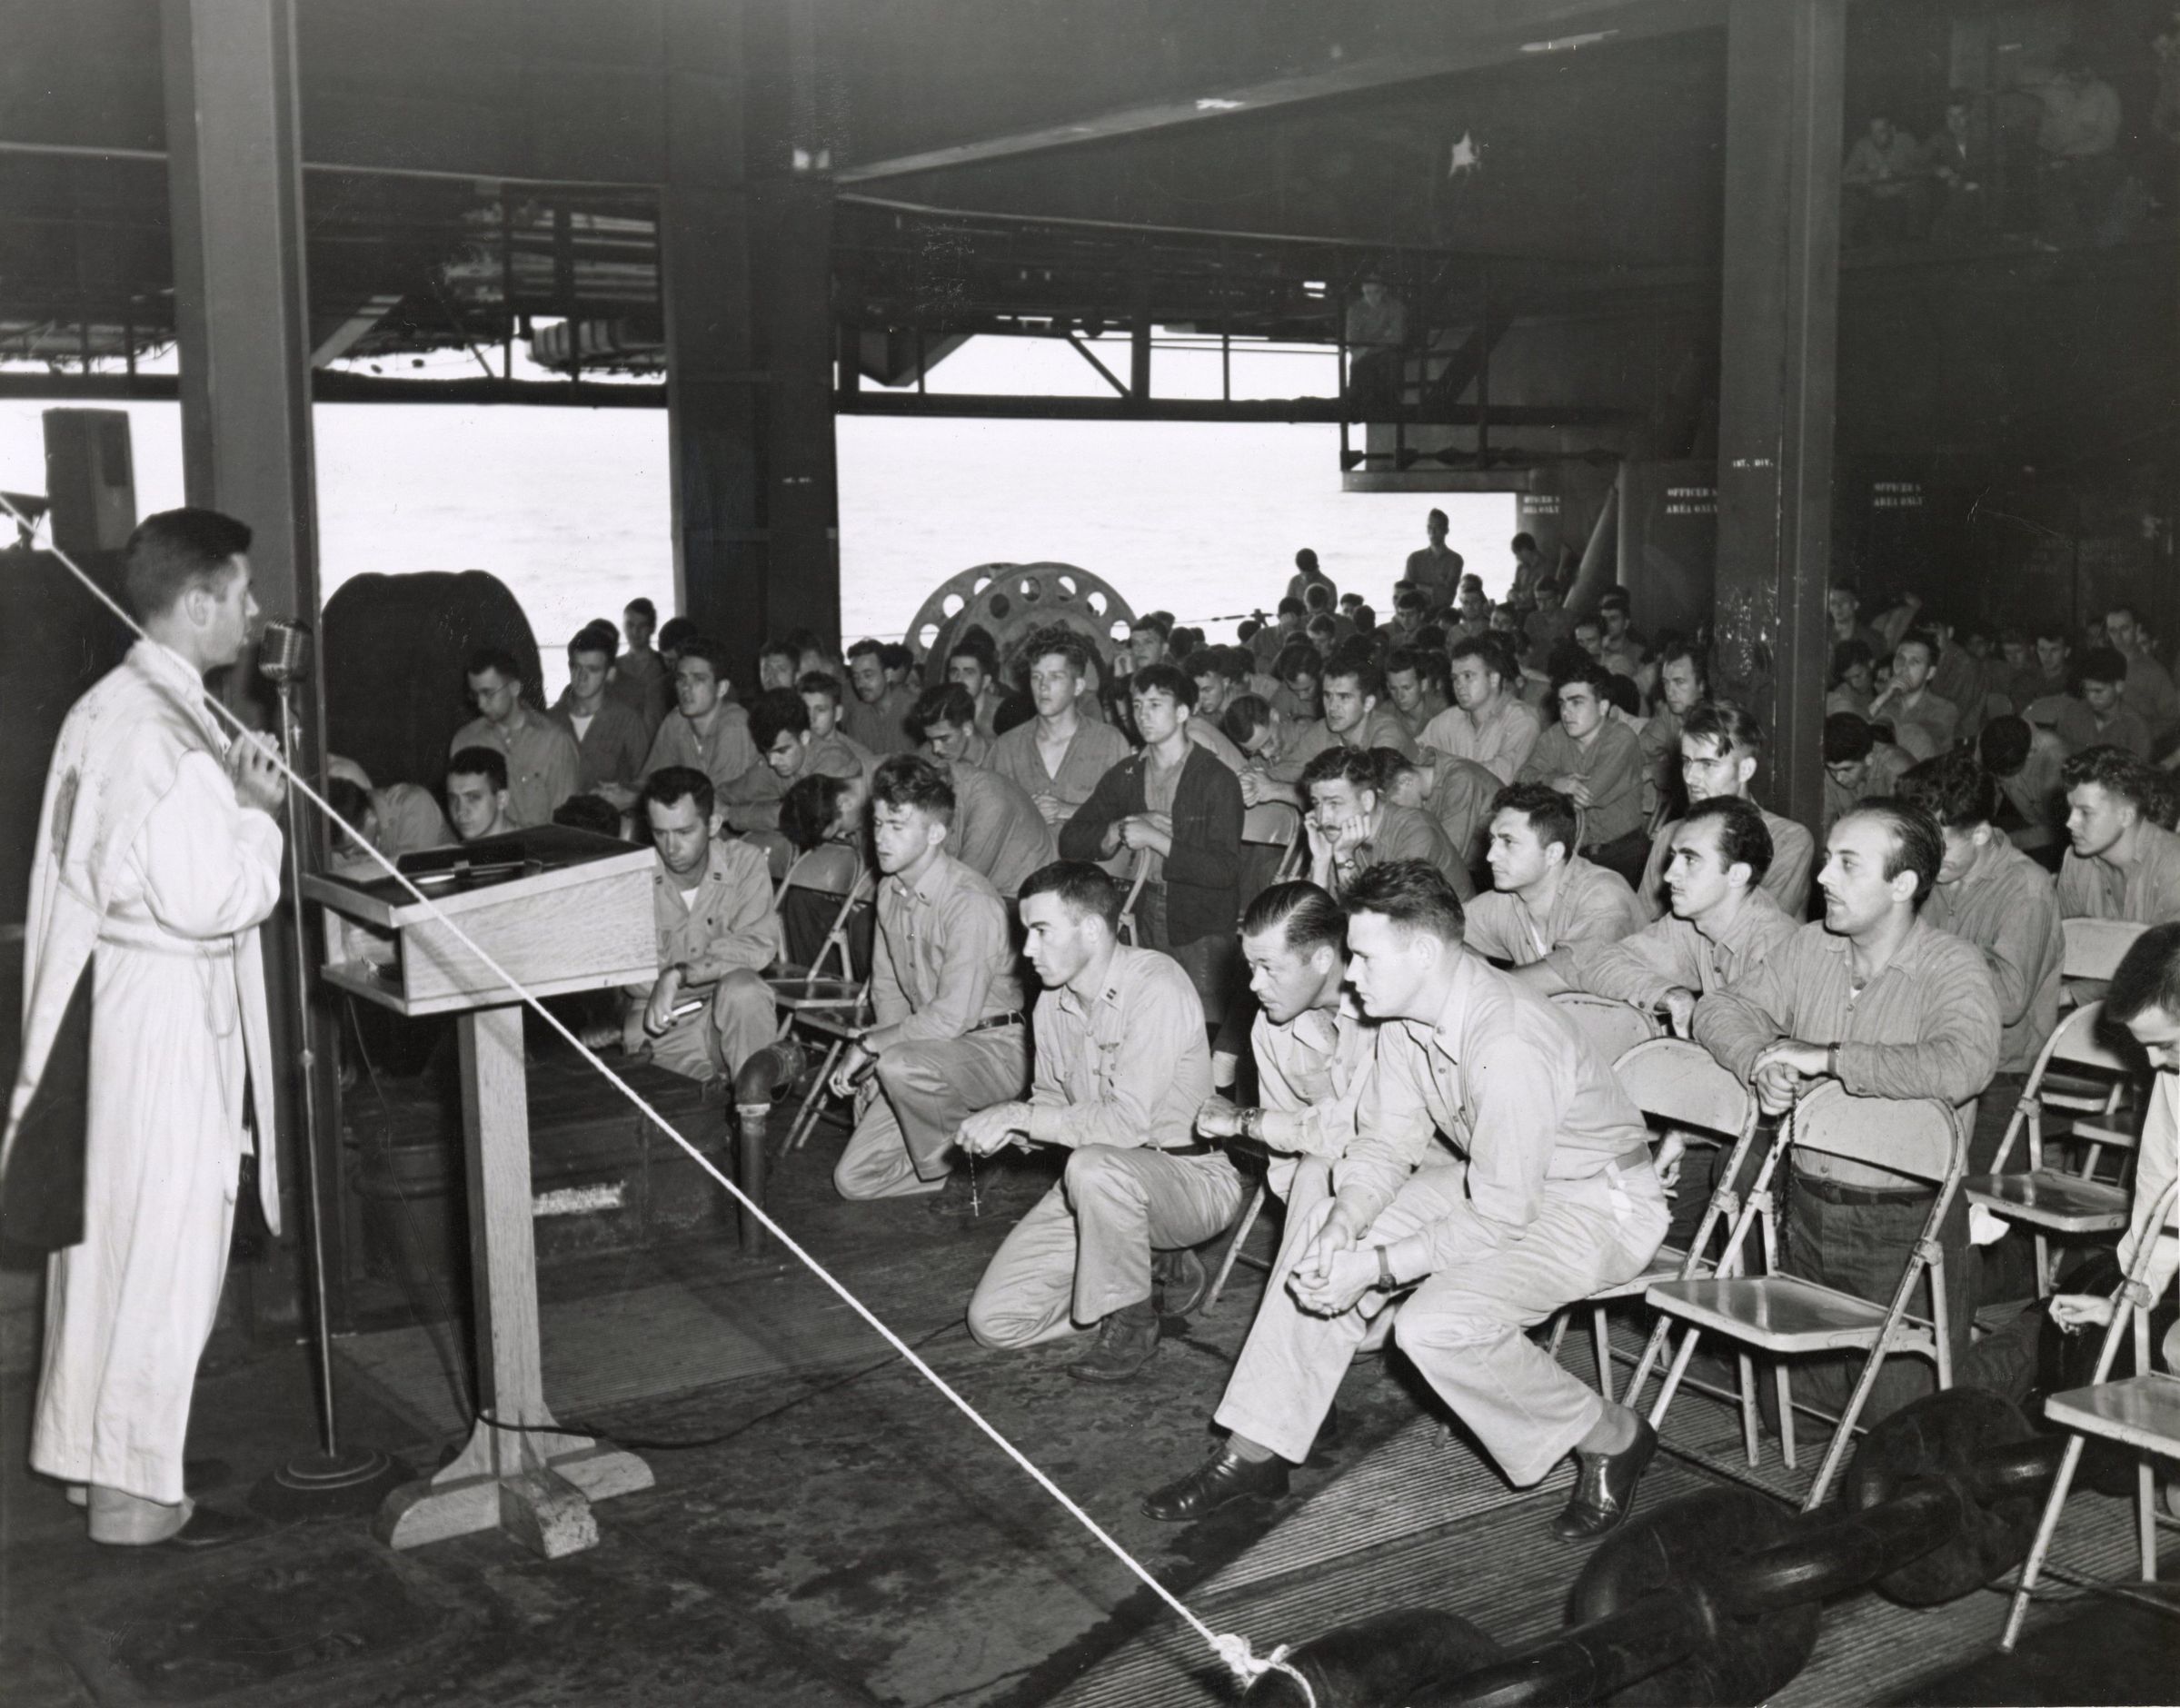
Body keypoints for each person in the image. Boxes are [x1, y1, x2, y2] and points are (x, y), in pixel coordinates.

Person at [1140, 861, 1669, 1535]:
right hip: (1507, 1183)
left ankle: (1612, 1434)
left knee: (1434, 1327)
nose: (1350, 976)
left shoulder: (1504, 1041)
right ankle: (1257, 1449)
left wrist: (1379, 1265)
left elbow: (1501, 1213)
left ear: (1421, 952)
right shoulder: (1407, 1017)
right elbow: (1387, 1145)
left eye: (1361, 956)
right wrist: (1344, 1225)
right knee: (1322, 1231)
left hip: (1598, 1203)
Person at [8, 508, 286, 1548]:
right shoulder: (163, 731)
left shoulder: (108, 705)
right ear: (201, 599)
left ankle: (98, 1454)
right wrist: (255, 810)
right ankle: (133, 1496)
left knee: (108, 1239)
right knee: (166, 1239)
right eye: (244, 594)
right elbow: (209, 892)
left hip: (112, 995)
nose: (257, 615)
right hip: (166, 1006)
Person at [1694, 801, 2001, 1423]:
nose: (1822, 877)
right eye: (1826, 858)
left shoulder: (1952, 967)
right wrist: (1761, 1061)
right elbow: (1718, 1011)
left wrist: (1828, 1060)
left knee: (1905, 1427)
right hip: (1807, 1211)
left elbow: (1961, 1065)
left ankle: (2037, 1340)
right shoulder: (1811, 946)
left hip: (1905, 1222)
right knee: (1797, 1406)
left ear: (1903, 885)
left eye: (1845, 865)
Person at [961, 863, 1242, 1380]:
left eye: (1041, 931)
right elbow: (1050, 1101)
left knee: (1093, 1166)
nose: (1027, 951)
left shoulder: (1156, 983)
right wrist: (1004, 1130)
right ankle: (1144, 1265)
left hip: (1190, 1182)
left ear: (1092, 928)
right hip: (1099, 1187)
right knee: (994, 1322)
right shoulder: (1052, 1002)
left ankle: (1133, 1321)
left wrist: (1021, 1115)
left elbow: (1126, 1126)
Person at [1896, 751, 2064, 1300]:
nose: (1926, 856)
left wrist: (1920, 966)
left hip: (2000, 1074)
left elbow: (2010, 999)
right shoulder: (1938, 871)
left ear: (1986, 833)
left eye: (1940, 842)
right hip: (1931, 1054)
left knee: (1971, 1232)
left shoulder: (2026, 888)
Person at [828, 757, 1031, 1203]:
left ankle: (969, 1163)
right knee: (855, 1180)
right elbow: (889, 992)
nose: (880, 838)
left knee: (899, 1066)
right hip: (929, 1053)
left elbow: (951, 1018)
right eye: (877, 822)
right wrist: (882, 1062)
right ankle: (977, 1159)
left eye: (897, 826)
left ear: (936, 834)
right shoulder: (889, 889)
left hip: (991, 1049)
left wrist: (872, 1047)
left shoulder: (969, 901)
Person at [1519, 796, 1798, 1038]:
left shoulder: (1774, 946)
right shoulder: (1691, 923)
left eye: (1690, 860)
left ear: (1737, 874)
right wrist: (1667, 994)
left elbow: (1747, 1045)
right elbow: (1601, 963)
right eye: (1674, 857)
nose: (1668, 875)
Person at [1059, 664, 1241, 1015]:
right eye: (1138, 704)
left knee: (1199, 1023)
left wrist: (1155, 838)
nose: (1142, 715)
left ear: (1184, 712)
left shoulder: (1216, 779)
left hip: (1200, 923)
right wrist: (1121, 827)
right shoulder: (1128, 773)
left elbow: (1225, 871)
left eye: (1156, 704)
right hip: (1139, 913)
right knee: (1148, 1019)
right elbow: (1071, 839)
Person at [1194, 883, 1370, 1209]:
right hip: (1330, 1183)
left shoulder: (1384, 1009)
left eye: (1269, 968)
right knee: (1313, 1170)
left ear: (1322, 959)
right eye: (1251, 966)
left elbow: (1366, 1131)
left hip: (1422, 1181)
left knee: (1317, 1168)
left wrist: (1242, 1120)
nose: (1254, 984)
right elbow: (1285, 1164)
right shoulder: (1271, 1023)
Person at [2047, 923, 2180, 1336]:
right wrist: (2135, 1289)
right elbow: (2161, 1183)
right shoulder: (2174, 1075)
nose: (2154, 1063)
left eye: (2166, 1044)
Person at [618, 767, 780, 1091]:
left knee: (745, 990)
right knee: (686, 1124)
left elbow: (757, 946)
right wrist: (709, 970)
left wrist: (677, 974)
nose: (671, 847)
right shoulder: (633, 877)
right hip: (661, 1025)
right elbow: (634, 977)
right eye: (660, 833)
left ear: (714, 825)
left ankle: (753, 1117)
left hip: (726, 1011)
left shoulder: (745, 863)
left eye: (684, 832)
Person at [1632, 700, 1815, 920]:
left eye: (1707, 764)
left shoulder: (1787, 839)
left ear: (1745, 770)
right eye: (1687, 762)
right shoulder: (1671, 835)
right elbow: (1641, 925)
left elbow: (1757, 930)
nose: (1690, 777)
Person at [1465, 782, 1644, 966]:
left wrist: (1492, 985)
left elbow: (1571, 974)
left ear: (1553, 854)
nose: (1490, 856)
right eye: (1493, 840)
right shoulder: (1506, 900)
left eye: (1508, 842)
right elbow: (1442, 933)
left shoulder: (1603, 894)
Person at [911, 684, 1057, 899]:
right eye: (930, 739)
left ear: (968, 728)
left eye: (944, 738)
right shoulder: (930, 761)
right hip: (966, 869)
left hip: (1018, 883)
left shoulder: (1007, 757)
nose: (936, 749)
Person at [989, 627, 1131, 834]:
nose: (1043, 687)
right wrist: (1026, 813)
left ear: (1078, 686)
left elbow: (1129, 815)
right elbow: (987, 817)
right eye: (1036, 677)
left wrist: (1068, 810)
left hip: (1088, 865)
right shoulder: (1006, 748)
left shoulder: (1110, 743)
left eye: (1055, 677)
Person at [1518, 659, 1647, 883]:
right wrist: (1555, 782)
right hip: (1573, 856)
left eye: (1577, 702)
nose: (1566, 712)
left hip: (1624, 856)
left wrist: (1546, 788)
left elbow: (1585, 795)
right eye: (1562, 703)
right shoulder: (1555, 735)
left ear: (1603, 706)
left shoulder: (1622, 738)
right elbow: (1521, 781)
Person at [642, 636, 772, 828]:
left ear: (721, 688)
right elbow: (651, 781)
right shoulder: (676, 721)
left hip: (744, 834)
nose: (686, 687)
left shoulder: (735, 725)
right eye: (681, 678)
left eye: (699, 679)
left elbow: (713, 801)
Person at [449, 646, 580, 829]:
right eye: (475, 694)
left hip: (541, 852)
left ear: (514, 688)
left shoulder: (554, 742)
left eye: (488, 693)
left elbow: (568, 823)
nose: (480, 703)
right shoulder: (465, 740)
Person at [1259, 656, 1418, 803]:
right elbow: (1290, 769)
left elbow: (1357, 801)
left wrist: (1277, 790)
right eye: (1328, 696)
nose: (1332, 707)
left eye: (1344, 697)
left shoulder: (1388, 735)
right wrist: (1254, 780)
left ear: (1368, 704)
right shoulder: (1323, 729)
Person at [2056, 746, 2180, 924]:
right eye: (2071, 810)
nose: (2070, 822)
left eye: (2085, 812)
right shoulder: (2075, 861)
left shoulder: (2174, 868)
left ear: (2126, 816)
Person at [549, 626, 650, 810]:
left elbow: (647, 780)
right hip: (558, 826)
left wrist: (628, 795)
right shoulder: (550, 720)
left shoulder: (627, 721)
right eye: (576, 667)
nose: (581, 677)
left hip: (609, 827)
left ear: (609, 673)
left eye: (592, 669)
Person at [1978, 714, 2069, 855]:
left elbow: (2054, 830)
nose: (2000, 778)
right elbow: (1986, 792)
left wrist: (1998, 844)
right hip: (2025, 820)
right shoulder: (1989, 739)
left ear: (2028, 754)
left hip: (2056, 833)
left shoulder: (2054, 756)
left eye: (2005, 773)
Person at [324, 773, 453, 869]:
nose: (347, 855)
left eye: (351, 846)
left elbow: (407, 874)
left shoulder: (415, 804)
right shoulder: (341, 835)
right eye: (340, 850)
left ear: (370, 818)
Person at [1866, 629, 1959, 761]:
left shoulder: (1945, 709)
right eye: (1900, 659)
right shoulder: (1886, 702)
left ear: (1930, 673)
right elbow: (1862, 740)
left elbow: (1917, 742)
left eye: (1914, 662)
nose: (1904, 667)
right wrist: (1883, 697)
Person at [1842, 113, 1928, 246]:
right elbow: (1846, 178)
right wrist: (1873, 175)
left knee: (1919, 194)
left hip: (1904, 194)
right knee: (1851, 202)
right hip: (1874, 197)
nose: (1876, 137)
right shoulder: (1863, 145)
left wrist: (1898, 174)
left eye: (1881, 131)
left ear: (1892, 130)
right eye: (1873, 132)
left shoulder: (1905, 141)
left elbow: (1924, 168)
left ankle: (1916, 244)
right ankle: (1845, 248)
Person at [2056, 647, 2153, 760]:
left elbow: (2136, 773)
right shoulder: (2072, 714)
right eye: (2087, 690)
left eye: (2098, 691)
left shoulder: (2137, 729)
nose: (2091, 697)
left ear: (2119, 687)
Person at [1823, 712, 1914, 832]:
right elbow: (1823, 828)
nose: (1839, 778)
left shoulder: (1898, 770)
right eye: (1832, 770)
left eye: (1847, 770)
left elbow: (1911, 832)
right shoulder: (1829, 772)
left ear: (1869, 758)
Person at [2103, 605, 2179, 745]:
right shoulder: (2099, 665)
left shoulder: (2155, 672)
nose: (2118, 636)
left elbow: (2171, 718)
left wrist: (2141, 736)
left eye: (2124, 629)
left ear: (2137, 629)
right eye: (2113, 631)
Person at [841, 639, 919, 756]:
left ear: (887, 675)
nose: (861, 684)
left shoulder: (913, 709)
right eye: (856, 677)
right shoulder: (858, 716)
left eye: (868, 675)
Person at [797, 671, 879, 780]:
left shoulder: (861, 757)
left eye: (821, 710)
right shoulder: (791, 749)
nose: (811, 718)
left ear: (838, 713)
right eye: (805, 709)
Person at [1344, 274, 1407, 413]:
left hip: (1385, 354)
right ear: (1362, 291)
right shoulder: (1355, 310)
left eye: (1376, 292)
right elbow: (1353, 344)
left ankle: (1392, 401)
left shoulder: (1396, 307)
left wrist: (1366, 347)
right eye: (1368, 293)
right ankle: (1357, 402)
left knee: (1391, 357)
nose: (1372, 297)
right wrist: (1384, 336)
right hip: (1367, 357)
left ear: (1384, 290)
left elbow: (1397, 339)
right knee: (1358, 363)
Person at [615, 597, 673, 734]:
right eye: (630, 625)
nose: (635, 632)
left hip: (659, 745)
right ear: (623, 626)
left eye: (642, 626)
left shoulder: (664, 664)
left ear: (652, 628)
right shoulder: (614, 666)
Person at [445, 746, 517, 841]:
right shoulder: (449, 852)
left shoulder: (532, 851)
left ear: (501, 799)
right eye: (453, 799)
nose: (461, 811)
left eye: (472, 798)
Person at [1402, 509, 1462, 611]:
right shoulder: (1414, 558)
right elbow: (1404, 593)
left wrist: (1417, 586)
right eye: (1429, 527)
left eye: (1437, 527)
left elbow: (1446, 597)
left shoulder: (1455, 560)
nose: (1432, 532)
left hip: (1442, 616)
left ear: (1446, 530)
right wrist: (1435, 590)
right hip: (1416, 615)